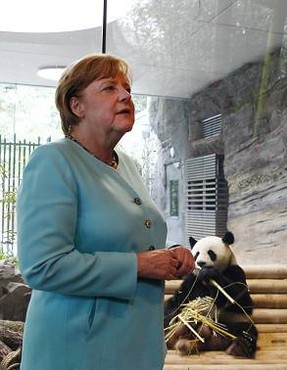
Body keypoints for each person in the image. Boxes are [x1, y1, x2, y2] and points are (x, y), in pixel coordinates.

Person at [16, 53, 195, 370]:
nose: (126, 95)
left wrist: (170, 255)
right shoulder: (53, 161)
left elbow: (123, 240)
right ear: (77, 106)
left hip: (136, 347)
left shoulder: (127, 164)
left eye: (126, 88)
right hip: (77, 352)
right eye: (109, 88)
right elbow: (42, 266)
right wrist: (138, 265)